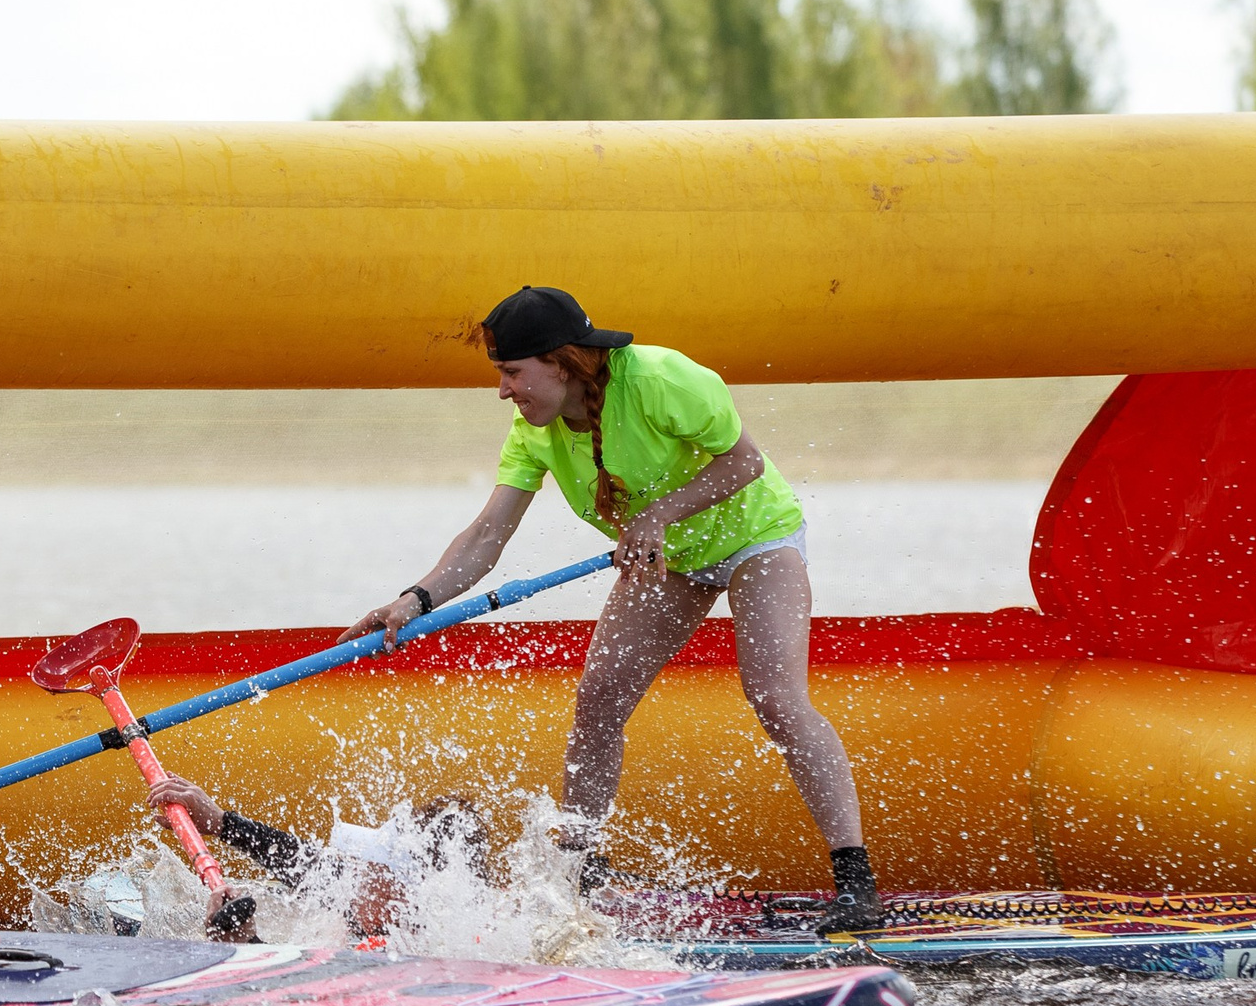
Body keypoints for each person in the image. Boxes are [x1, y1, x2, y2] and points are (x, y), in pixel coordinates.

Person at [338, 285, 880, 934]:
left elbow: (744, 463)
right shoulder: (533, 432)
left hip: (753, 538)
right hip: (667, 559)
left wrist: (659, 514)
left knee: (775, 698)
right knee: (598, 700)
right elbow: (486, 537)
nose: (503, 391)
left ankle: (857, 884)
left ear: (562, 363)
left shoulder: (660, 378)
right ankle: (581, 881)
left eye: (512, 372)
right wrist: (415, 598)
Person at [143, 771, 487, 943]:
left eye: (369, 867)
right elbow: (307, 865)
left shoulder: (411, 954)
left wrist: (244, 943)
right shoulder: (384, 913)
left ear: (405, 896)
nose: (352, 870)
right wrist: (222, 823)